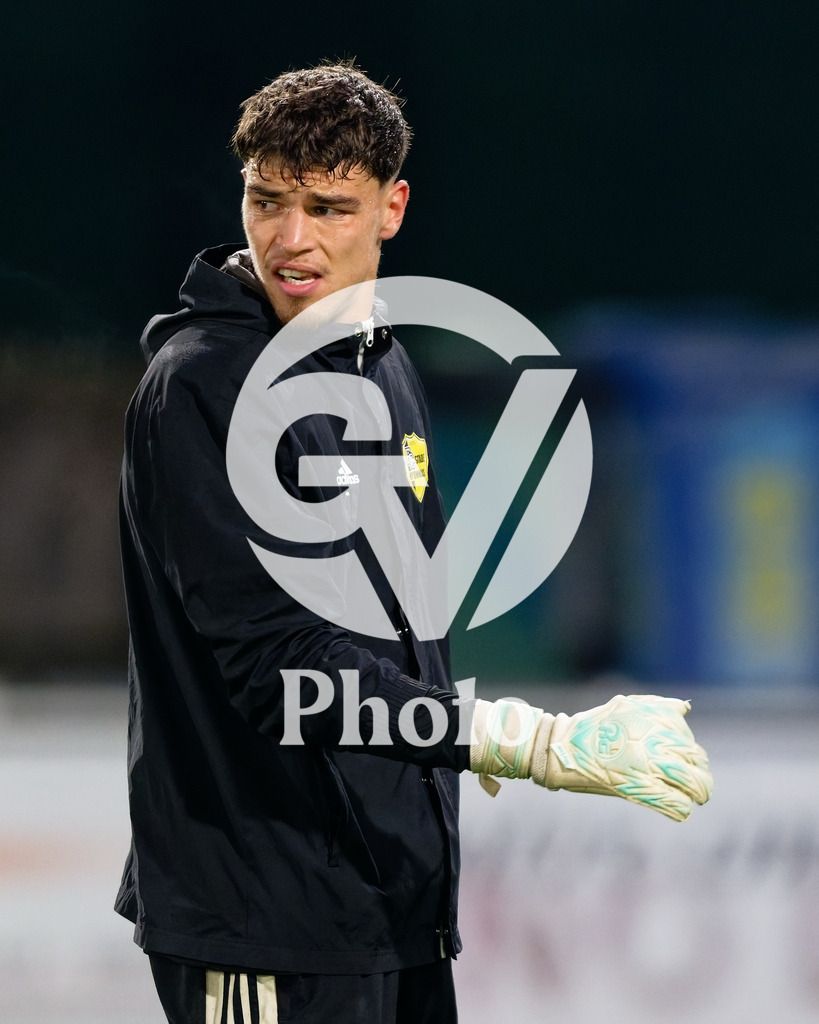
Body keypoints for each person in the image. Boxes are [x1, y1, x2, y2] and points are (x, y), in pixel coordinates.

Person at [117, 62, 712, 1024]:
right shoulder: (203, 387)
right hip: (268, 911)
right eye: (266, 200)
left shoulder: (379, 359)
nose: (290, 238)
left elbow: (400, 635)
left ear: (391, 209)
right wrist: (530, 742)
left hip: (391, 904)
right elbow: (280, 668)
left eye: (326, 207)